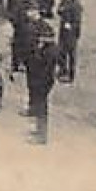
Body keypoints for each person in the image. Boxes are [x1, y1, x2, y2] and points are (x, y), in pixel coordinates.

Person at [23, 12, 59, 144]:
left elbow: (44, 67)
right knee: (40, 107)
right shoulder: (48, 49)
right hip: (41, 81)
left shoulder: (50, 51)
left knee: (42, 108)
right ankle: (39, 131)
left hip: (42, 82)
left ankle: (42, 135)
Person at [55, 0, 83, 82]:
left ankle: (71, 75)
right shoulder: (64, 0)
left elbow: (77, 21)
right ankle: (62, 71)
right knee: (61, 52)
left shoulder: (76, 5)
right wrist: (60, 10)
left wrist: (70, 26)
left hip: (71, 33)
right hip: (63, 31)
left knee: (71, 54)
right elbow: (58, 10)